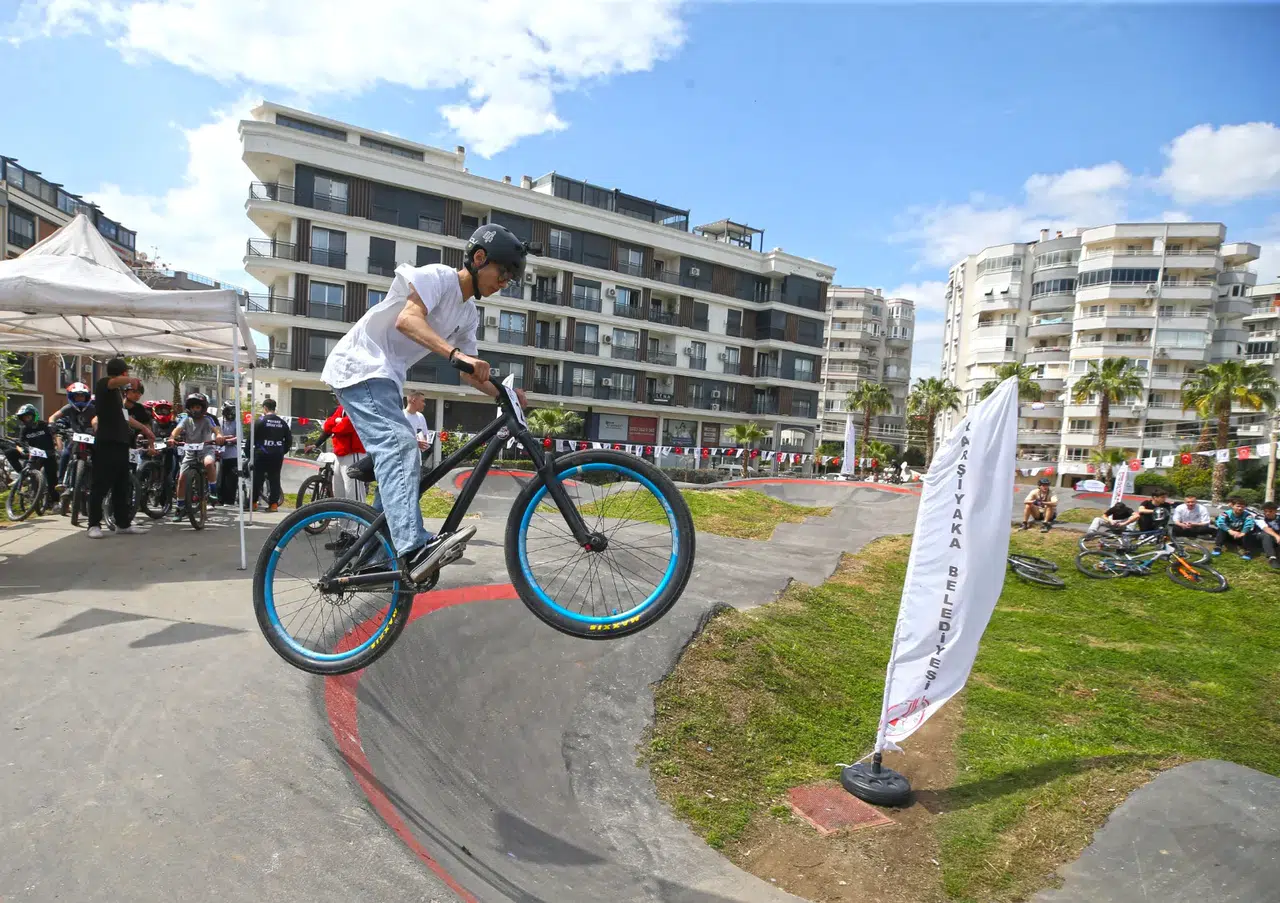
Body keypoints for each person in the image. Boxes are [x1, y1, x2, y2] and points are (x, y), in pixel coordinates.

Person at [320, 222, 530, 581]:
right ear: (479, 259)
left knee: (404, 462)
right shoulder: (439, 277)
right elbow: (407, 319)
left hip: (384, 376)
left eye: (511, 277)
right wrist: (455, 355)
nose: (505, 282)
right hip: (360, 365)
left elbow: (469, 373)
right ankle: (413, 547)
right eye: (503, 272)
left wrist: (506, 394)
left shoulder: (467, 314)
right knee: (400, 445)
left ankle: (373, 559)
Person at [88, 358, 155, 538]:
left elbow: (125, 417)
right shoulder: (104, 385)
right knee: (100, 485)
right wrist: (131, 381)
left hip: (121, 444)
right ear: (121, 372)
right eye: (126, 372)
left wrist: (144, 429)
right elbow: (114, 381)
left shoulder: (117, 395)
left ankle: (122, 524)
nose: (127, 375)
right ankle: (93, 525)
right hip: (106, 443)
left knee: (121, 485)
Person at [170, 393, 221, 522]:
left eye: (198, 407)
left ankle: (213, 490)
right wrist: (172, 438)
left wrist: (219, 436)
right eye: (193, 407)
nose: (195, 410)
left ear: (203, 408)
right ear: (189, 408)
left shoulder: (207, 419)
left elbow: (216, 430)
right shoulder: (186, 419)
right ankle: (180, 506)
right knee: (181, 478)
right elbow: (176, 430)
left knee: (209, 463)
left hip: (206, 449)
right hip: (190, 452)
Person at [7, 404, 59, 507]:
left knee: (52, 479)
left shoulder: (44, 425)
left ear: (34, 415)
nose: (26, 419)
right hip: (33, 454)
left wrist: (58, 448)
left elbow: (56, 436)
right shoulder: (25, 429)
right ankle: (22, 475)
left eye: (28, 416)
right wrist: (22, 450)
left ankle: (55, 502)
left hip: (48, 454)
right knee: (9, 452)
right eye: (24, 418)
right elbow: (20, 443)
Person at [49, 381, 96, 489]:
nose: (80, 398)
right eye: (77, 396)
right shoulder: (68, 408)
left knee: (99, 457)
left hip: (92, 438)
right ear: (72, 397)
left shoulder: (93, 409)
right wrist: (52, 424)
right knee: (65, 454)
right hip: (75, 437)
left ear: (87, 397)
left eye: (82, 396)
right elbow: (53, 417)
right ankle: (61, 481)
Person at [319, 404, 367, 502]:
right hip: (339, 454)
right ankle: (342, 518)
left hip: (353, 453)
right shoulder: (341, 407)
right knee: (339, 494)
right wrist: (337, 421)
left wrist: (334, 423)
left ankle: (356, 517)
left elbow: (347, 426)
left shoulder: (357, 406)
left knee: (353, 495)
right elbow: (327, 425)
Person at [252, 398, 292, 512]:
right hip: (277, 455)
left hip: (261, 454)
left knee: (257, 479)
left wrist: (249, 453)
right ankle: (274, 504)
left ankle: (253, 503)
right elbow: (289, 440)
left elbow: (251, 439)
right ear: (275, 408)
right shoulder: (282, 423)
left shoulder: (260, 421)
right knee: (274, 479)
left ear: (265, 408)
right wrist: (281, 451)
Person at [216, 402, 242, 506]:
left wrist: (227, 440)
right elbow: (215, 435)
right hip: (219, 454)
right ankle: (219, 499)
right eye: (229, 410)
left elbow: (239, 437)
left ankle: (229, 500)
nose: (231, 413)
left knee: (231, 478)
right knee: (219, 478)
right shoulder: (218, 421)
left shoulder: (237, 422)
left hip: (233, 454)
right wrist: (222, 439)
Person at [403, 390, 432, 458]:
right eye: (422, 401)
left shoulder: (420, 417)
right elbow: (397, 438)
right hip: (404, 459)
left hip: (417, 459)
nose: (424, 404)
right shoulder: (401, 416)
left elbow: (425, 435)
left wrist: (424, 441)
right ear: (414, 400)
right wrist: (415, 443)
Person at [1253, 501, 1280, 570]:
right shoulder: (1259, 517)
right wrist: (1277, 536)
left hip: (1274, 540)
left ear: (1275, 511)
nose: (1267, 513)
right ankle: (1272, 558)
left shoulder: (1278, 518)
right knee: (1266, 535)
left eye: (1270, 511)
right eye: (1265, 511)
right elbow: (1265, 528)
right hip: (1260, 537)